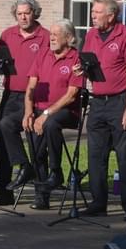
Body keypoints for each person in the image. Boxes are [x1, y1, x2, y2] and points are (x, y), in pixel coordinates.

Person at [81, 0, 126, 221]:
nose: (93, 16)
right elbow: (89, 65)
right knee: (96, 155)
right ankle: (98, 202)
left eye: (97, 12)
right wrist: (82, 70)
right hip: (98, 102)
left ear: (111, 15)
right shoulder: (90, 36)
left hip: (120, 101)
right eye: (92, 11)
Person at [22, 19, 82, 210]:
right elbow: (31, 85)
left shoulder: (76, 59)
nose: (52, 38)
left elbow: (71, 95)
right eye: (51, 34)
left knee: (49, 124)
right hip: (39, 109)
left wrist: (46, 114)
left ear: (69, 37)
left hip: (65, 112)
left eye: (56, 34)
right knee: (8, 124)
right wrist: (28, 112)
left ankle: (56, 171)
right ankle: (30, 176)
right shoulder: (43, 54)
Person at [0, 0, 49, 205]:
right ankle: (4, 192)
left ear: (34, 13)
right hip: (10, 94)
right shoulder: (6, 35)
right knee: (4, 140)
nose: (23, 17)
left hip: (36, 97)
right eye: (19, 14)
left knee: (36, 145)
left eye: (26, 13)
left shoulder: (46, 36)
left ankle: (41, 195)